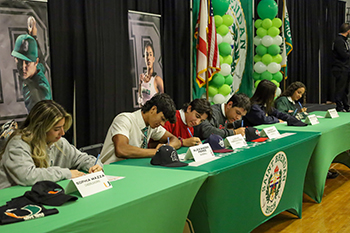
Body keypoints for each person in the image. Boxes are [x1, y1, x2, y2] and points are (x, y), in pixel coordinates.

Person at [0, 100, 103, 190]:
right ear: (41, 128)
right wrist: (66, 173)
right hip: (9, 199)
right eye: (56, 129)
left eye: (63, 127)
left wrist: (95, 165)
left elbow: (82, 158)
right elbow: (27, 176)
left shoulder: (59, 142)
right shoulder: (18, 143)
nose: (62, 133)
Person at [100, 93, 181, 164]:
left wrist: (166, 148)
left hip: (132, 169)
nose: (162, 124)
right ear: (153, 109)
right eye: (162, 119)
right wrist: (157, 152)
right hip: (110, 171)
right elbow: (121, 149)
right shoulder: (124, 119)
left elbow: (175, 140)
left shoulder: (151, 125)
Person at [11, 33, 52, 112]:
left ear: (35, 62)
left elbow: (43, 120)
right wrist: (33, 36)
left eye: (27, 62)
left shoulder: (36, 92)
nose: (23, 67)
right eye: (19, 60)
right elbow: (41, 62)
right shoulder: (37, 68)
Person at [331, 23, 350, 112]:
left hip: (345, 68)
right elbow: (343, 54)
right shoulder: (339, 41)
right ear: (348, 31)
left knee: (345, 88)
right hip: (340, 68)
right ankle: (339, 106)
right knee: (340, 88)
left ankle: (346, 105)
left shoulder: (344, 41)